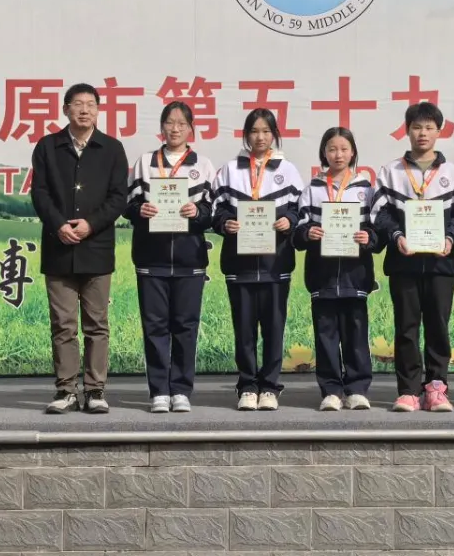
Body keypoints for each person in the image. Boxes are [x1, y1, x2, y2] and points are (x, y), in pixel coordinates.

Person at [30, 83, 129, 415]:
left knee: (96, 324)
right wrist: (59, 224)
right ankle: (66, 390)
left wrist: (90, 224)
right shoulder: (48, 146)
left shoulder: (112, 148)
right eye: (77, 104)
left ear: (98, 111)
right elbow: (40, 193)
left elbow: (118, 197)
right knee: (63, 324)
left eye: (91, 104)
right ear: (65, 109)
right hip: (58, 248)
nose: (84, 110)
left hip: (96, 248)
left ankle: (95, 389)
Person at [371, 102, 454, 413]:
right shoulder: (391, 172)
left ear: (439, 132)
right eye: (417, 127)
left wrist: (451, 239)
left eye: (429, 127)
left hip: (441, 263)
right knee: (406, 327)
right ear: (407, 130)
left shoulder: (453, 174)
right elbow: (379, 214)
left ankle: (437, 388)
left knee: (439, 326)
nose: (423, 133)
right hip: (404, 262)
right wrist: (396, 236)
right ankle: (409, 391)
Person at [125, 102, 216, 414]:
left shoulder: (202, 165)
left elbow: (211, 212)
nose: (175, 129)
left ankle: (181, 390)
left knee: (186, 327)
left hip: (190, 259)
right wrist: (140, 210)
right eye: (169, 122)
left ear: (191, 129)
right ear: (161, 127)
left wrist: (196, 211)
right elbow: (128, 205)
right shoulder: (145, 163)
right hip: (151, 258)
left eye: (181, 123)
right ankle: (159, 391)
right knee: (154, 327)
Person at [212, 108, 304, 411]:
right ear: (246, 135)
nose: (260, 137)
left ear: (274, 134)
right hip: (239, 264)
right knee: (244, 329)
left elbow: (299, 209)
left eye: (266, 131)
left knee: (274, 328)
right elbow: (216, 209)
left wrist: (289, 221)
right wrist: (225, 223)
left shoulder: (288, 170)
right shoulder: (230, 170)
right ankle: (248, 386)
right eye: (254, 131)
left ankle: (270, 387)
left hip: (276, 263)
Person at [293, 127, 381, 411]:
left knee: (356, 335)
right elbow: (298, 230)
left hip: (356, 275)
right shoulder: (313, 189)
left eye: (344, 149)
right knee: (326, 335)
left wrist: (369, 238)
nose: (338, 154)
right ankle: (331, 390)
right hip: (323, 276)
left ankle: (357, 389)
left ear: (353, 152)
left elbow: (377, 230)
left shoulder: (366, 189)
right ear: (324, 153)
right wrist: (308, 233)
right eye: (332, 149)